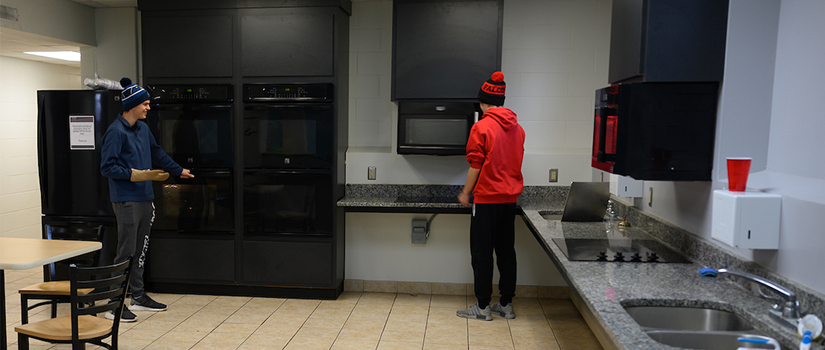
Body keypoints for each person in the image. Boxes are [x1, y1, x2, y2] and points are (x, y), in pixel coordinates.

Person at [100, 77, 194, 322]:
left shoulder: (142, 128)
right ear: (132, 105)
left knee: (140, 250)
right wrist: (134, 174)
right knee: (126, 251)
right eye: (145, 104)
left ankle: (138, 297)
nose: (148, 108)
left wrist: (177, 169)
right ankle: (113, 304)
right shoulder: (115, 132)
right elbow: (107, 167)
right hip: (126, 200)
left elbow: (156, 153)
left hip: (145, 197)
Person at [456, 71, 525, 321]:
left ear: (483, 103)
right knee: (507, 252)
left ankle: (483, 307)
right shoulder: (518, 129)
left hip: (486, 200)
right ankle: (506, 304)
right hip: (509, 200)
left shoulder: (481, 126)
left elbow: (476, 164)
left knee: (482, 253)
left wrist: (465, 193)